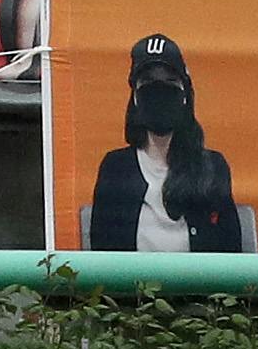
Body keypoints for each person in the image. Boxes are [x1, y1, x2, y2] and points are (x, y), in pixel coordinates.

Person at [86, 39, 246, 253]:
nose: (159, 91)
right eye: (148, 82)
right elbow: (103, 253)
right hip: (133, 286)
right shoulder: (116, 168)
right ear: (134, 96)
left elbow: (230, 253)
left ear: (184, 95)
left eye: (170, 82)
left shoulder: (213, 167)